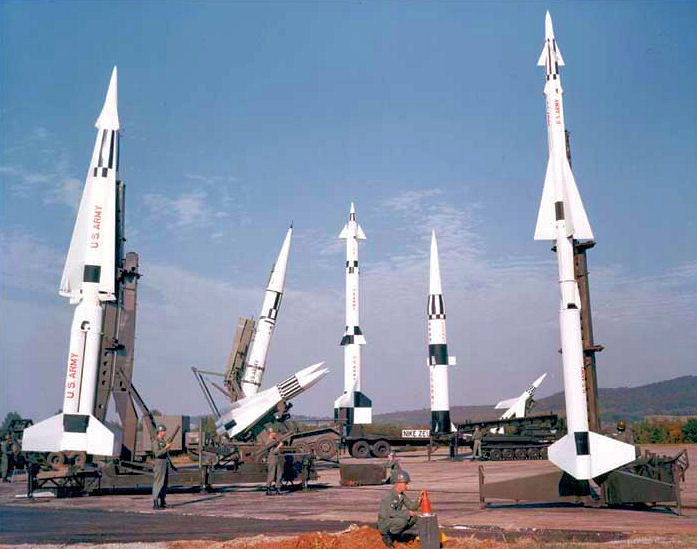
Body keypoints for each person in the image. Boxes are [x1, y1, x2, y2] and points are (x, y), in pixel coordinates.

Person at [377, 470, 422, 547]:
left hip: (393, 520)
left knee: (414, 518)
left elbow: (412, 506)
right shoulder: (389, 495)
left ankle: (396, 535)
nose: (406, 486)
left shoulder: (401, 495)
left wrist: (419, 499)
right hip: (384, 522)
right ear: (398, 484)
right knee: (402, 521)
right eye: (405, 484)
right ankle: (388, 537)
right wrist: (407, 513)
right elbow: (390, 513)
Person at [152, 424, 172, 509]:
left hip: (164, 463)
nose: (165, 433)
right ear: (160, 432)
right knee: (158, 483)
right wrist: (166, 448)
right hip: (159, 464)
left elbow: (165, 453)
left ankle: (163, 501)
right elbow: (157, 453)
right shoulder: (156, 441)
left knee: (164, 483)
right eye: (163, 431)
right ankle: (155, 502)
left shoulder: (162, 441)